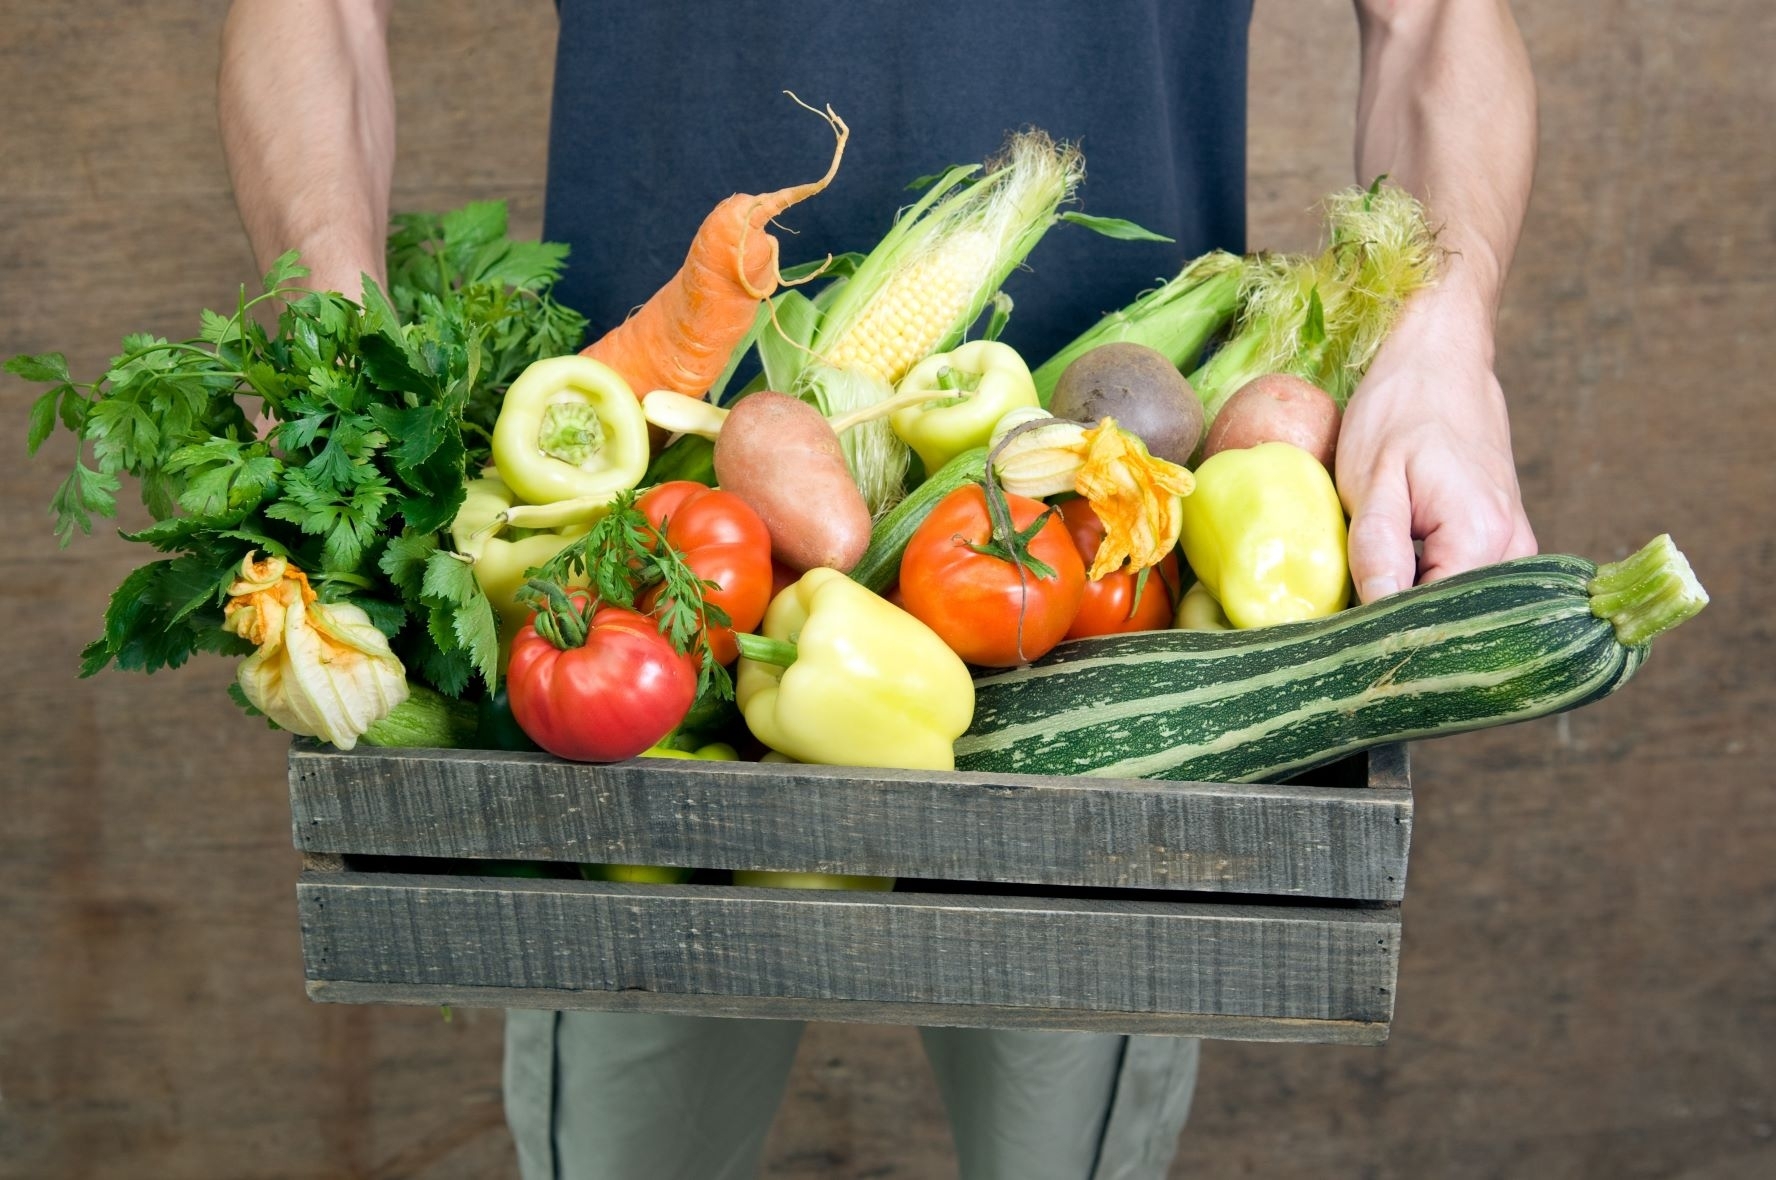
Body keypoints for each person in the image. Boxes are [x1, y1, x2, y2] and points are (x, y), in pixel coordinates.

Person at [219, 2, 1538, 1177]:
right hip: (629, 578)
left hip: (1102, 590)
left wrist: (1448, 335)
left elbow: (1437, 20)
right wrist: (330, 328)